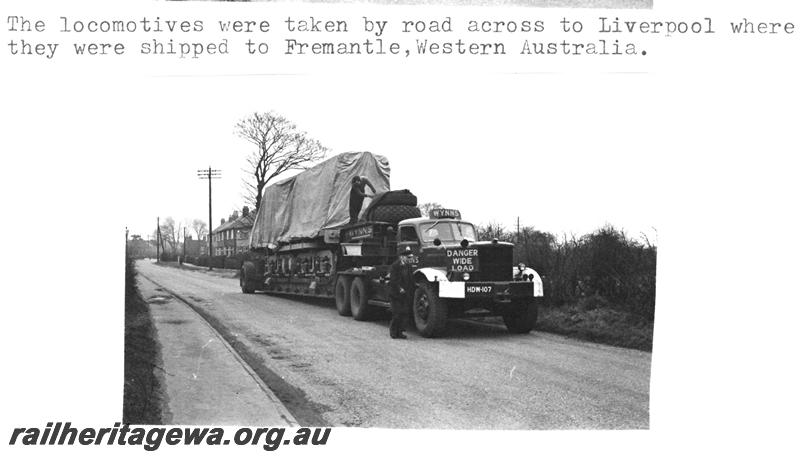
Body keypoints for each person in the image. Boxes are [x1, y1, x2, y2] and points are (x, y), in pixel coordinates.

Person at [388, 246, 414, 339]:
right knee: (397, 313)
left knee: (405, 314)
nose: (410, 259)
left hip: (405, 294)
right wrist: (400, 288)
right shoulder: (395, 266)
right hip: (396, 294)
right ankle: (393, 331)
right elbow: (393, 280)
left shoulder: (409, 267)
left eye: (411, 257)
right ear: (402, 257)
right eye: (408, 257)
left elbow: (411, 279)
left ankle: (400, 332)